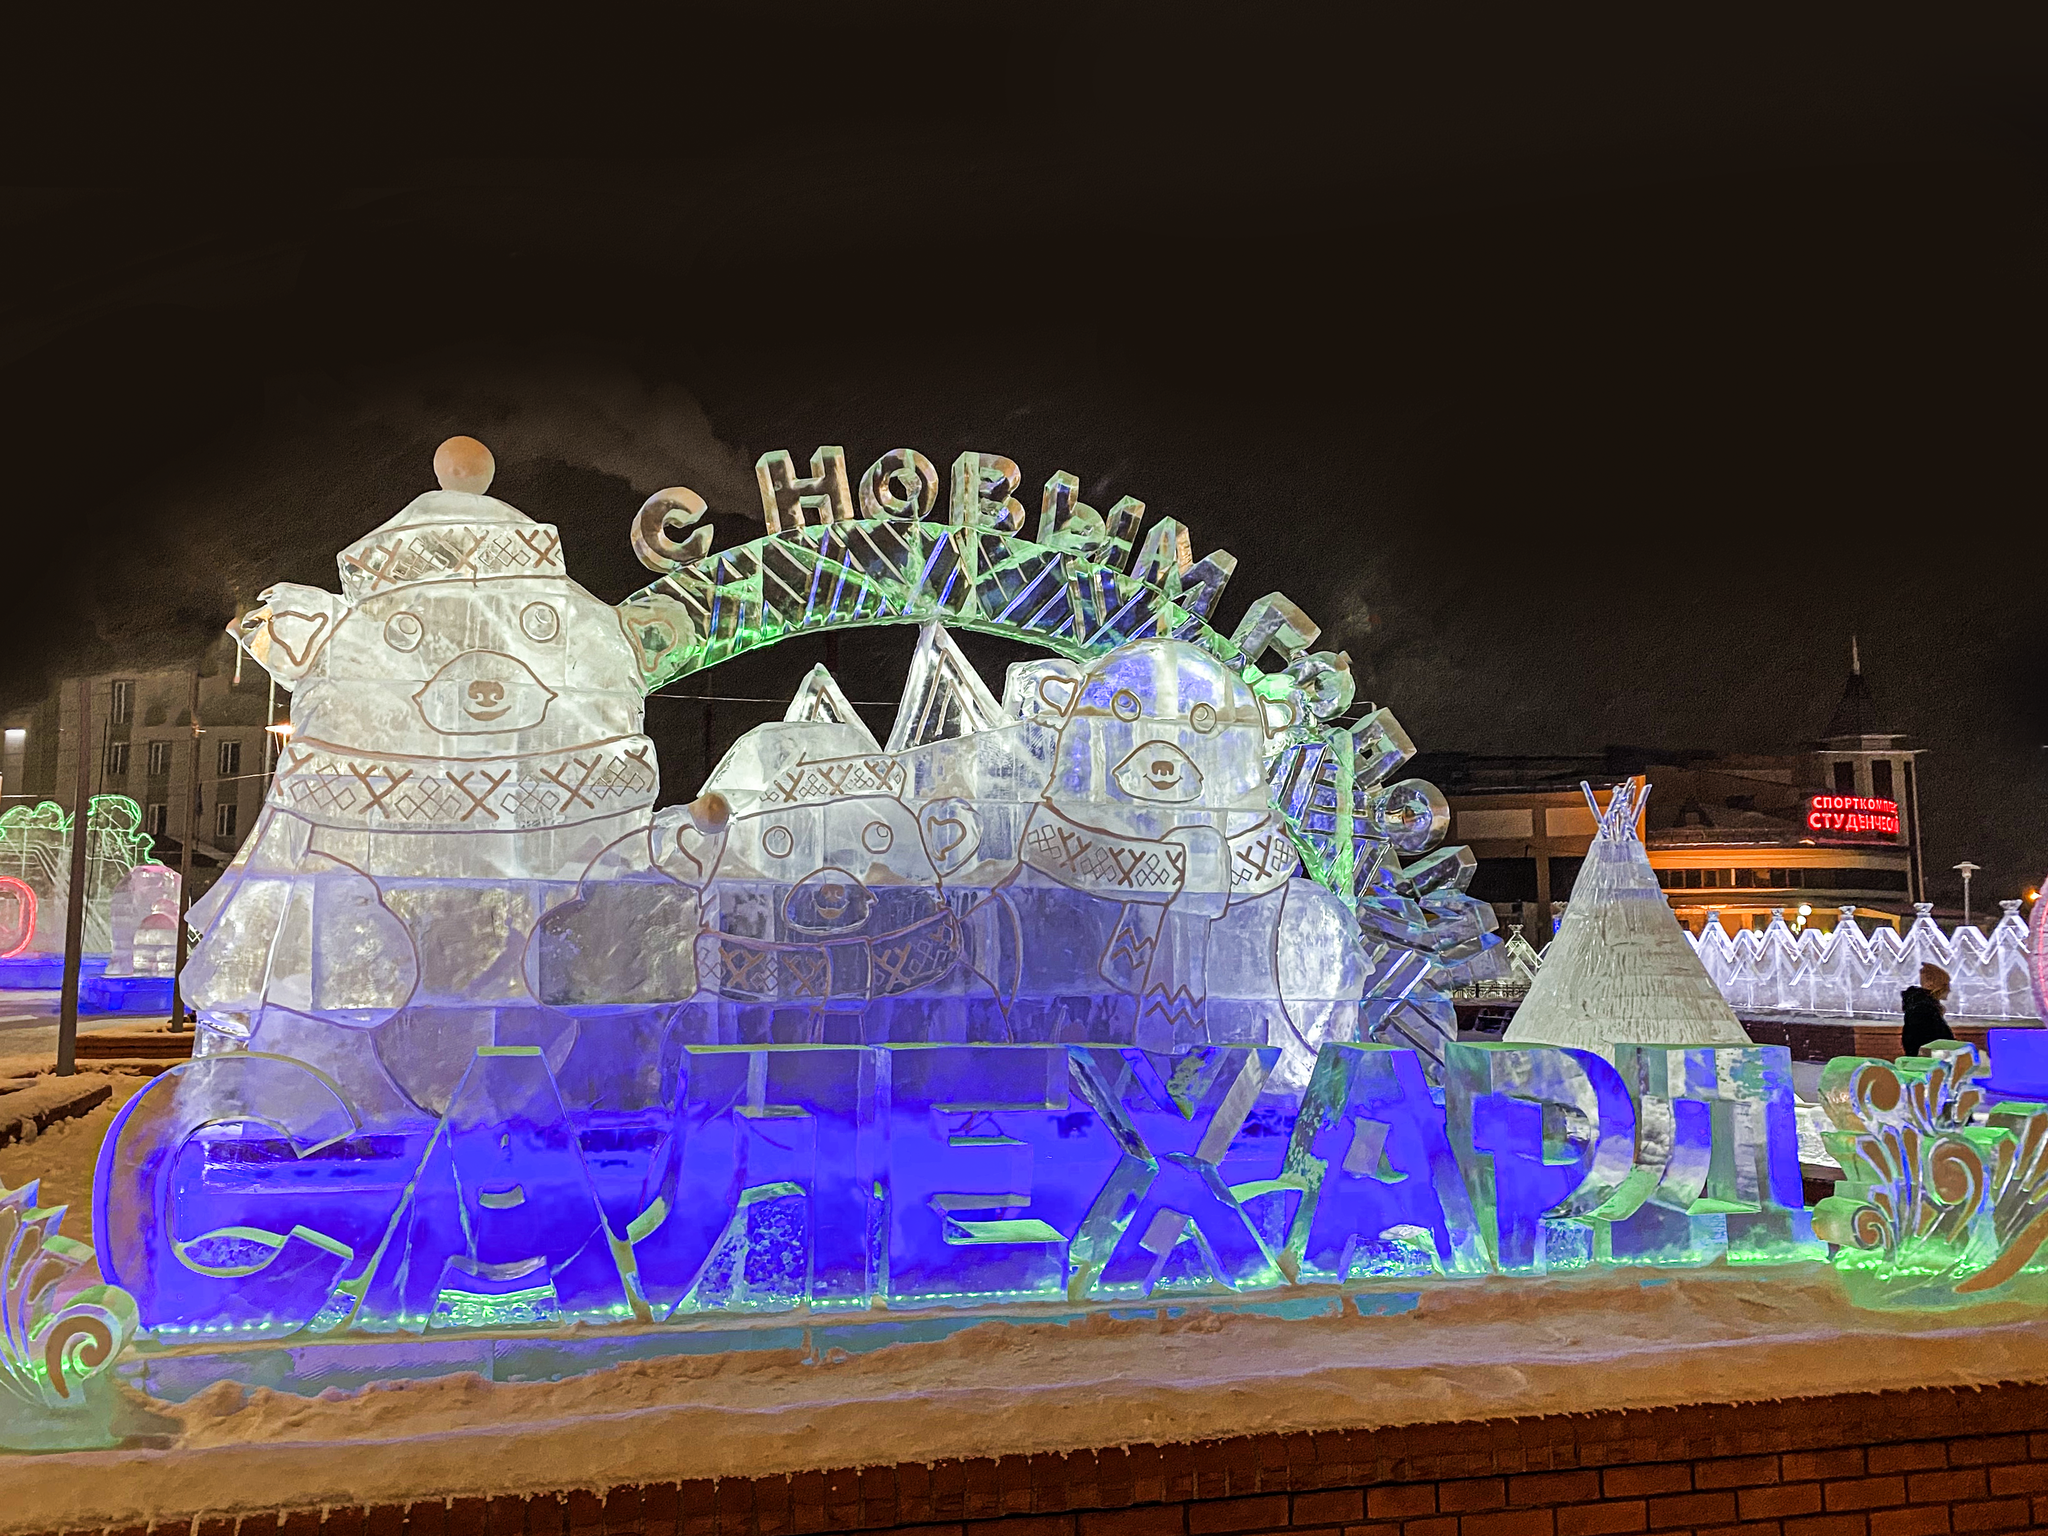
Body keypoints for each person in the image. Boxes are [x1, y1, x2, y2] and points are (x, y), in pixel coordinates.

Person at [1902, 962, 1956, 1055]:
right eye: (1946, 985)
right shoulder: (1925, 1010)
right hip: (1930, 1064)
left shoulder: (1919, 1007)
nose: (1949, 989)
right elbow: (1933, 1040)